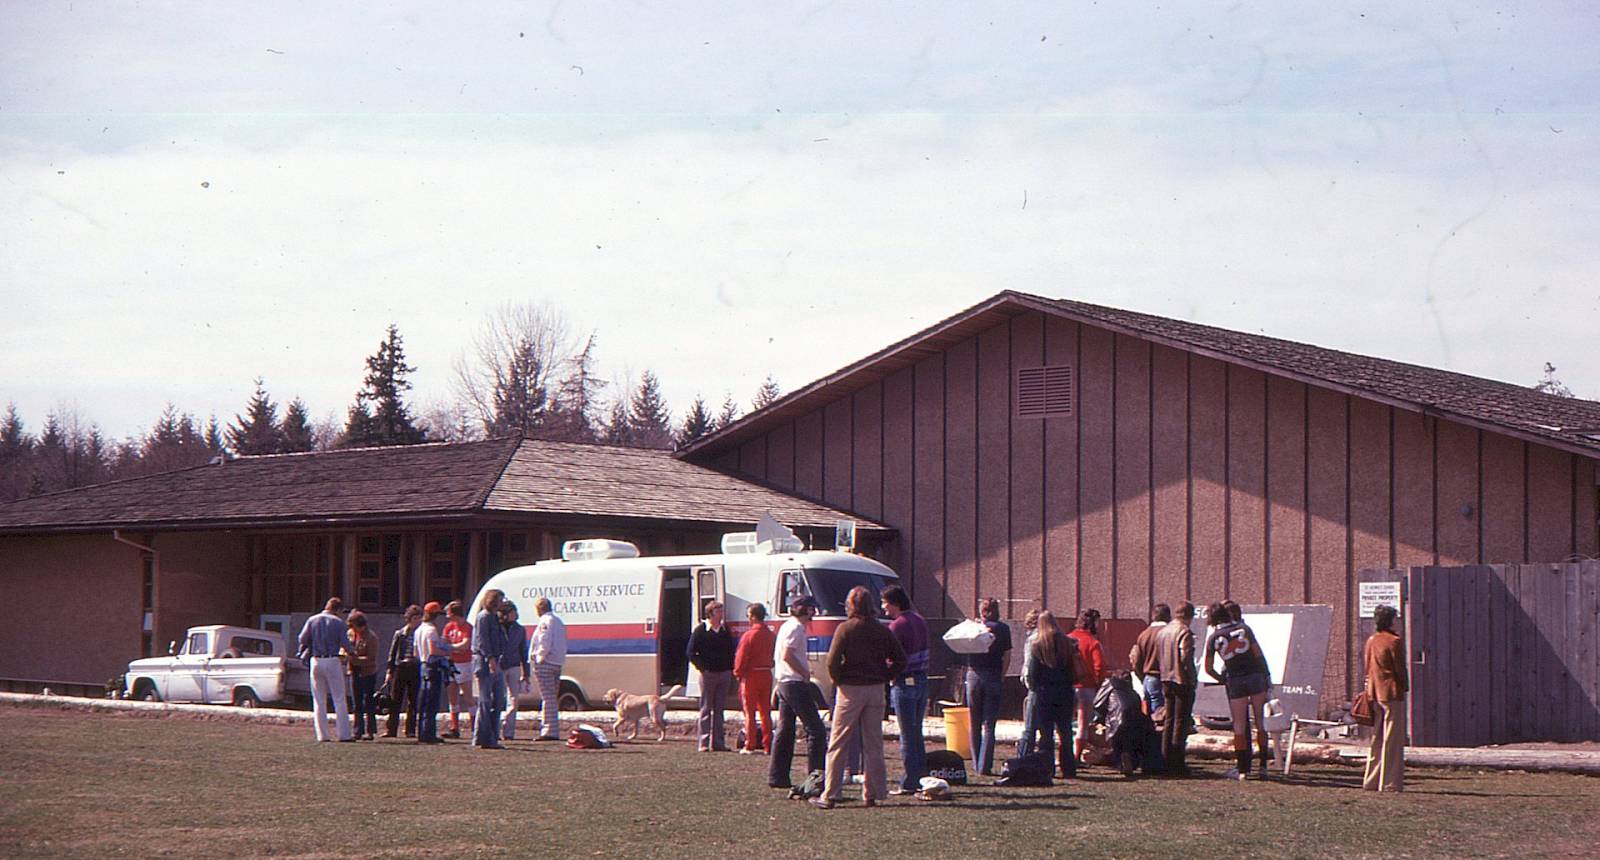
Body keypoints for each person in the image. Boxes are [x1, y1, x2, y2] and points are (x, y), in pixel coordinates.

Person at [812, 586, 906, 809]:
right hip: (876, 689)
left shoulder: (845, 629)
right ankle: (873, 793)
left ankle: (831, 793)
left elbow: (832, 661)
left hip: (850, 689)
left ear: (850, 605)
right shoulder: (882, 630)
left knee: (838, 742)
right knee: (873, 744)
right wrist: (884, 676)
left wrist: (839, 679)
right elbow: (900, 660)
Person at [1204, 601, 1272, 779]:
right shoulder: (1245, 629)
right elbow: (1258, 654)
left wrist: (1222, 679)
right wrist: (1267, 676)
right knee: (1260, 723)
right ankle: (1263, 766)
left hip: (1235, 680)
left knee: (1239, 727)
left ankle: (1242, 770)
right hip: (1255, 676)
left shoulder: (1213, 638)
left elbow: (1208, 668)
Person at [768, 595, 827, 790]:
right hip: (794, 682)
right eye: (812, 609)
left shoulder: (787, 625)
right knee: (816, 730)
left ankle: (777, 776)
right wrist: (804, 673)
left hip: (783, 682)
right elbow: (788, 655)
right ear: (807, 610)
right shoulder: (797, 628)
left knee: (785, 730)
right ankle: (815, 778)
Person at [880, 585, 930, 795]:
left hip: (904, 681)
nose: (883, 607)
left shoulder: (897, 626)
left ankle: (909, 781)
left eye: (885, 603)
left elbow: (889, 656)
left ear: (895, 603)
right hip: (922, 680)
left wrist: (886, 674)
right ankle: (922, 776)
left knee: (907, 734)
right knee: (916, 732)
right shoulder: (920, 620)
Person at [1023, 610, 1077, 781]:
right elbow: (1072, 670)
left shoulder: (1037, 645)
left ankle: (1047, 768)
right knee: (1065, 731)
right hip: (1065, 691)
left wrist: (1035, 688)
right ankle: (1069, 768)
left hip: (1044, 692)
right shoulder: (1067, 643)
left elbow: (1033, 673)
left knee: (1046, 733)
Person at [1362, 604, 1409, 792]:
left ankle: (1371, 781)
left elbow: (1367, 666)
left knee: (1377, 738)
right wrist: (1405, 686)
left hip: (1374, 692)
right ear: (1391, 620)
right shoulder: (1394, 641)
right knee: (1392, 740)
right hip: (1391, 693)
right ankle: (1390, 782)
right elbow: (1399, 669)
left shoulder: (1371, 640)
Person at [964, 597, 1012, 776]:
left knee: (974, 721)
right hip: (993, 673)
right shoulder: (1003, 629)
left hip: (974, 673)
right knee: (989, 724)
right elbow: (1007, 656)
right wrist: (1002, 675)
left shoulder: (975, 627)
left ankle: (976, 763)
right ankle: (985, 765)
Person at [297, 597, 353, 743]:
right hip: (332, 659)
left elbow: (302, 639)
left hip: (316, 660)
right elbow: (345, 644)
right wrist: (352, 653)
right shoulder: (338, 622)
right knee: (339, 698)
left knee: (319, 700)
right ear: (338, 609)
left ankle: (322, 735)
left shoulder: (312, 620)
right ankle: (344, 735)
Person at [687, 600, 737, 752]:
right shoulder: (700, 630)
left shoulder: (724, 630)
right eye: (718, 612)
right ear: (710, 614)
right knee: (706, 708)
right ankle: (703, 742)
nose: (721, 614)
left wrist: (729, 668)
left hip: (724, 673)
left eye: (721, 611)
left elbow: (731, 650)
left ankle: (718, 743)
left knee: (719, 710)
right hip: (708, 674)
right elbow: (691, 652)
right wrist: (702, 668)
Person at [1156, 600, 1197, 775]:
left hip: (1165, 678)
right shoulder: (1184, 631)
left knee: (1169, 720)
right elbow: (1185, 657)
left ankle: (1165, 758)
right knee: (1181, 721)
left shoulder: (1163, 631)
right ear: (1189, 615)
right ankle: (1177, 762)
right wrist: (1192, 677)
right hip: (1181, 680)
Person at [1093, 670, 1156, 776]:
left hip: (1116, 720)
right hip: (1135, 723)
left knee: (1117, 744)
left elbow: (1098, 704)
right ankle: (1131, 761)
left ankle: (1121, 764)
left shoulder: (1110, 685)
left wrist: (1101, 719)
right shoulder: (1133, 693)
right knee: (1129, 743)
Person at [413, 601, 460, 744]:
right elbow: (434, 650)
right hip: (433, 667)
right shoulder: (431, 630)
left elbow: (415, 652)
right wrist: (448, 652)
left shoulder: (419, 629)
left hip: (422, 665)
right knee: (432, 702)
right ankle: (429, 734)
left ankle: (422, 733)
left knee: (423, 701)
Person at [733, 602, 776, 754]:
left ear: (752, 616)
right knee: (765, 711)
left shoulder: (749, 635)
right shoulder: (771, 635)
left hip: (751, 675)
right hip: (766, 673)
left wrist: (738, 673)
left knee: (749, 712)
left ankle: (750, 744)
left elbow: (741, 657)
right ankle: (768, 744)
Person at [471, 589, 508, 749]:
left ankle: (488, 736)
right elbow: (483, 639)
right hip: (485, 662)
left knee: (498, 700)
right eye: (500, 600)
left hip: (496, 661)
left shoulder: (495, 617)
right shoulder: (484, 617)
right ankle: (485, 738)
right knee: (485, 701)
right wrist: (490, 658)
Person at [1069, 609, 1106, 765]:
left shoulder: (1067, 638)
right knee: (1083, 724)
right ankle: (1076, 756)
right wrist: (1099, 683)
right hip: (1086, 687)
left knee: (1065, 723)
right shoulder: (1093, 643)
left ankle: (1065, 755)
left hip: (1067, 686)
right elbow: (1099, 667)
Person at [382, 604, 424, 738]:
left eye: (419, 618)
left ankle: (410, 729)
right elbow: (392, 653)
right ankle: (391, 729)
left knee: (413, 700)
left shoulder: (421, 633)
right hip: (400, 667)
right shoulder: (400, 634)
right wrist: (389, 671)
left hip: (415, 667)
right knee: (396, 699)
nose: (417, 621)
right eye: (415, 618)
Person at [531, 596, 567, 741]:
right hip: (557, 662)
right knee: (552, 696)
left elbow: (544, 641)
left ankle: (548, 730)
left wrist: (539, 657)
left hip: (546, 662)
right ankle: (552, 728)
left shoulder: (545, 622)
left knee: (548, 697)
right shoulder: (558, 621)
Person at [1129, 603, 1171, 716]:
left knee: (1149, 715)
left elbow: (1137, 660)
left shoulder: (1144, 634)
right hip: (1161, 678)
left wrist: (1142, 677)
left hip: (1148, 678)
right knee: (1160, 715)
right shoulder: (1168, 633)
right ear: (1168, 616)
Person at [441, 601, 475, 739]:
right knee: (452, 696)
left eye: (449, 613)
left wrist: (451, 647)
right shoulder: (449, 627)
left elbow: (465, 645)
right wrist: (451, 648)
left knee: (468, 696)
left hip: (464, 663)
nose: (447, 616)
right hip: (451, 663)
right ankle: (454, 727)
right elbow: (443, 642)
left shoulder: (467, 627)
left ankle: (475, 727)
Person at [346, 609, 380, 740]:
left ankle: (370, 731)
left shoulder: (371, 638)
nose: (352, 629)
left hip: (367, 672)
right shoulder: (350, 634)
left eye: (354, 626)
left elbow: (371, 659)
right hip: (354, 671)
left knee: (368, 701)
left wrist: (354, 659)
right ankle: (357, 730)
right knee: (356, 702)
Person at [499, 601, 530, 740]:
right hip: (499, 665)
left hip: (514, 665)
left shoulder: (519, 629)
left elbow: (523, 651)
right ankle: (495, 729)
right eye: (512, 612)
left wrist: (526, 673)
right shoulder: (497, 628)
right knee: (497, 698)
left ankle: (508, 731)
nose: (515, 614)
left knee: (514, 699)